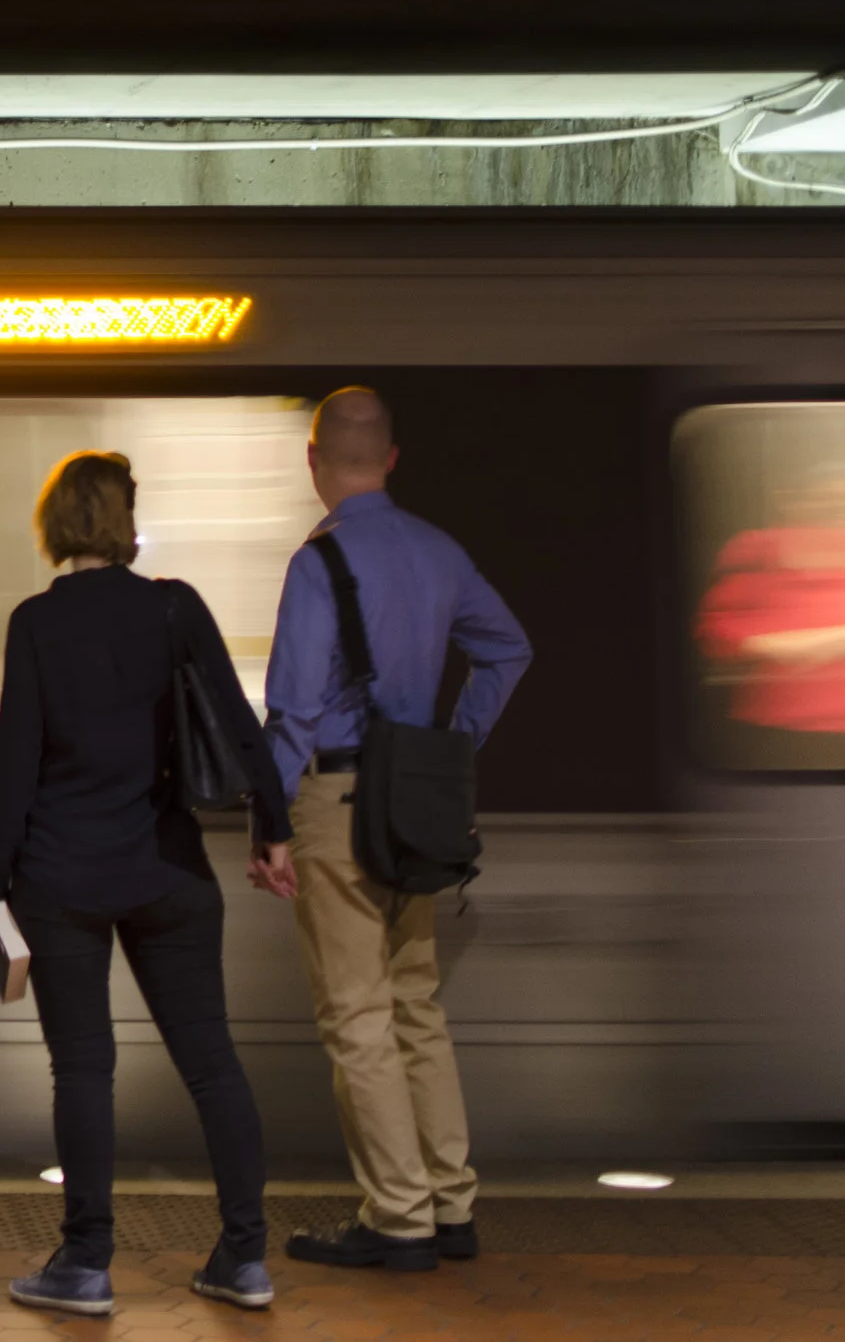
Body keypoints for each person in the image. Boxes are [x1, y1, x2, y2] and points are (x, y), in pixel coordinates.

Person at [0, 451, 297, 1316]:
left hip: (59, 877)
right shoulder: (173, 604)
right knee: (213, 1066)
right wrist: (274, 831)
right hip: (168, 871)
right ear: (125, 520)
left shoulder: (35, 623)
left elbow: (15, 761)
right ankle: (244, 1257)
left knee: (84, 1070)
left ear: (54, 524)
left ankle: (85, 1265)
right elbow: (240, 721)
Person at [265, 388, 531, 1273]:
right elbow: (508, 647)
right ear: (392, 457)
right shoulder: (438, 550)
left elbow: (294, 709)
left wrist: (268, 819)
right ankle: (451, 1201)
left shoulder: (320, 563)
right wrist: (455, 739)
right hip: (417, 804)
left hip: (338, 802)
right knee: (415, 1001)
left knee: (357, 1013)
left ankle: (397, 1214)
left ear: (314, 461)